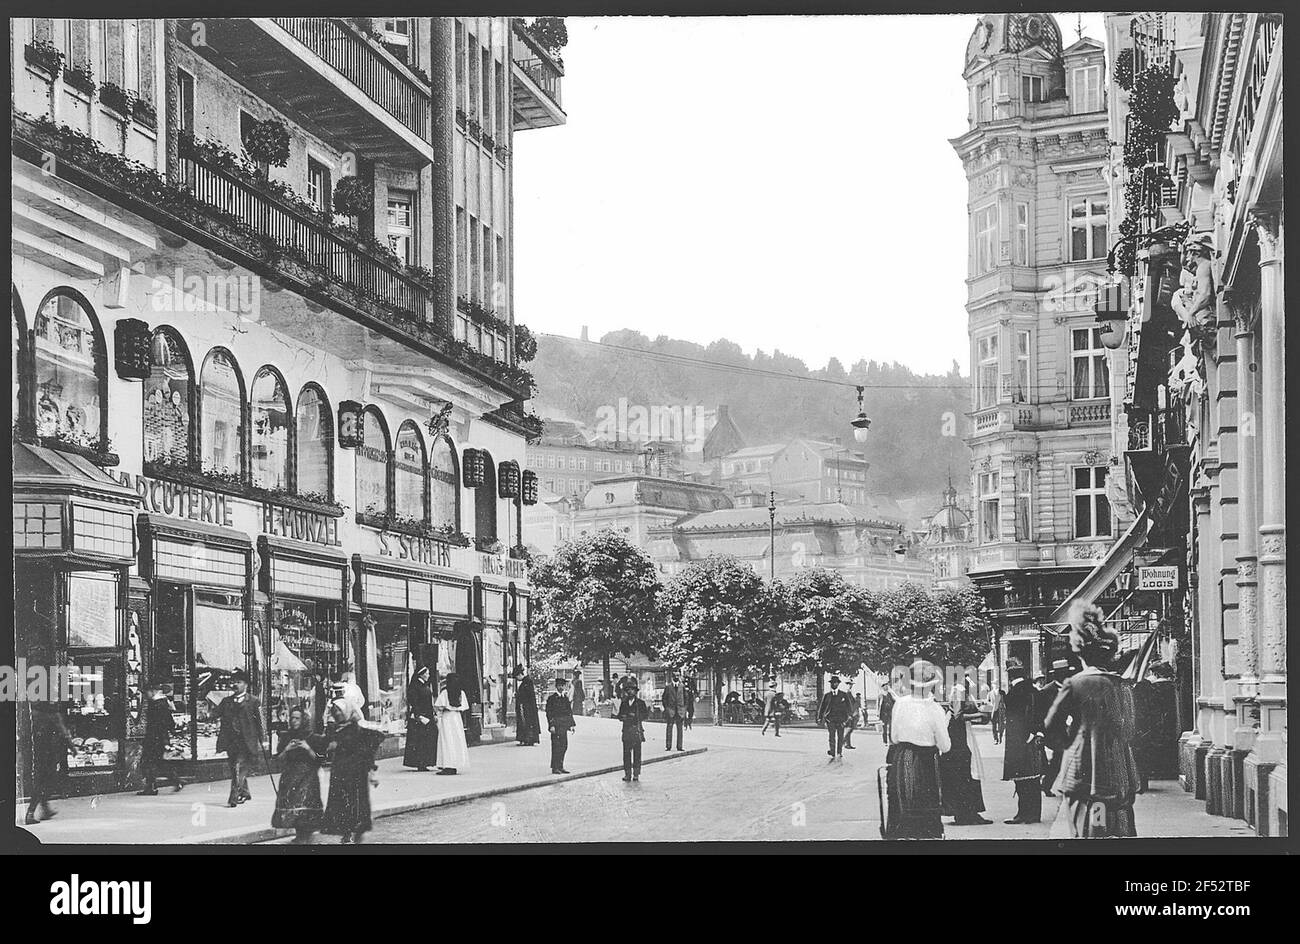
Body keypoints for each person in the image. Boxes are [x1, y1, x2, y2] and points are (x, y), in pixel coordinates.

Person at [1045, 603, 1141, 839]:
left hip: (1082, 767)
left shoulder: (1075, 683)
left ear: (1080, 652)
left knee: (1086, 826)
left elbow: (1051, 726)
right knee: (1113, 823)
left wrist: (1071, 742)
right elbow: (1129, 729)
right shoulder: (1121, 685)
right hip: (1118, 767)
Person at [884, 663, 951, 839]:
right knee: (927, 802)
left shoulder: (900, 704)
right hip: (927, 760)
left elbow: (894, 737)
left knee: (902, 800)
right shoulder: (935, 709)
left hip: (903, 757)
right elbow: (945, 746)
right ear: (931, 685)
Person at [320, 698, 386, 844]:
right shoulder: (335, 729)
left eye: (339, 710)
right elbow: (325, 744)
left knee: (356, 803)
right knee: (342, 803)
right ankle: (346, 833)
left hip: (355, 773)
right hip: (339, 772)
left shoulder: (356, 728)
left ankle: (358, 834)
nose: (337, 713)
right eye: (334, 711)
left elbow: (370, 746)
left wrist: (372, 771)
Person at [939, 684, 990, 826]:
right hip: (957, 737)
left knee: (967, 774)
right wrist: (980, 714)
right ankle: (964, 813)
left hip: (961, 734)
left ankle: (969, 812)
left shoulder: (966, 693)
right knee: (963, 774)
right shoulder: (959, 691)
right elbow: (958, 715)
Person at [1001, 659, 1044, 825]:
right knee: (1033, 778)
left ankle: (1024, 813)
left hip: (1020, 740)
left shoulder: (1014, 693)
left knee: (1022, 778)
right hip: (1034, 738)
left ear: (1010, 675)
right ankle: (1034, 814)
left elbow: (1016, 719)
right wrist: (1037, 732)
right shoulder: (1034, 690)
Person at [272, 706, 324, 843]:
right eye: (292, 718)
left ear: (303, 719)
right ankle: (300, 834)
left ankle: (305, 836)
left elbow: (320, 759)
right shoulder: (286, 736)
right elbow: (278, 759)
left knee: (304, 805)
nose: (294, 721)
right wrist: (287, 749)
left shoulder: (312, 737)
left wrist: (308, 748)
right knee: (292, 805)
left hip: (308, 777)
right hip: (290, 776)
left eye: (297, 718)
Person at [215, 668, 263, 808]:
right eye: (233, 682)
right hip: (231, 742)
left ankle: (234, 797)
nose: (235, 685)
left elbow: (260, 722)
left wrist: (263, 739)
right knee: (235, 768)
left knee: (238, 767)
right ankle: (245, 792)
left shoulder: (253, 701)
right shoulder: (226, 701)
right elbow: (215, 713)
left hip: (247, 742)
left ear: (246, 685)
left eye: (239, 682)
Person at [1132, 661, 1178, 793]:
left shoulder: (1152, 688)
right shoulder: (1170, 687)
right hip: (1163, 724)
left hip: (1149, 726)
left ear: (1155, 673)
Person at [25, 700, 73, 825]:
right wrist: (73, 748)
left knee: (42, 780)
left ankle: (45, 809)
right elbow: (64, 733)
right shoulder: (53, 715)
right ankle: (31, 812)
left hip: (37, 752)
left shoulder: (34, 714)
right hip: (49, 752)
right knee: (48, 780)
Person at [138, 681, 183, 795]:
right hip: (159, 739)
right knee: (158, 762)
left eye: (146, 692)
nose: (145, 695)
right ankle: (176, 781)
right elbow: (170, 723)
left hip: (155, 739)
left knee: (147, 762)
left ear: (152, 691)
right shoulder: (161, 703)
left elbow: (160, 724)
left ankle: (152, 787)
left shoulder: (157, 704)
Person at [1038, 660, 1071, 797]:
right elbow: (1040, 713)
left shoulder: (1069, 688)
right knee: (1061, 756)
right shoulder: (1047, 691)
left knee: (1063, 758)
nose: (1065, 675)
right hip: (1051, 731)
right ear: (1056, 674)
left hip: (1064, 730)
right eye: (1062, 673)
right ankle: (1049, 784)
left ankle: (1048, 784)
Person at [434, 673, 470, 774]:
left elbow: (439, 705)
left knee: (447, 740)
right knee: (457, 740)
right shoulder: (461, 693)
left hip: (447, 717)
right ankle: (456, 763)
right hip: (457, 718)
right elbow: (464, 707)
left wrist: (439, 712)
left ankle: (447, 764)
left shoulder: (445, 692)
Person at [403, 666, 437, 771]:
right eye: (427, 673)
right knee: (420, 740)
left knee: (427, 738)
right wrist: (419, 716)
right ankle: (420, 763)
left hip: (427, 715)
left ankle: (426, 761)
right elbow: (414, 702)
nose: (428, 675)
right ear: (421, 674)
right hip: (420, 717)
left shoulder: (424, 685)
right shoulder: (415, 686)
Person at [616, 678, 650, 782]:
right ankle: (627, 774)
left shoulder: (640, 703)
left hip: (636, 730)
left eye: (632, 690)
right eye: (628, 690)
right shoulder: (624, 703)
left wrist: (636, 717)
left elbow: (645, 715)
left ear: (635, 692)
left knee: (637, 754)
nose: (630, 692)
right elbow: (619, 716)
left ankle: (636, 774)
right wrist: (624, 717)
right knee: (626, 754)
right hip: (626, 731)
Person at [817, 675, 855, 761]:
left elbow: (849, 706)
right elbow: (822, 707)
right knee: (831, 736)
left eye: (836, 683)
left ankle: (839, 752)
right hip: (830, 719)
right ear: (830, 684)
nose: (834, 684)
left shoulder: (843, 695)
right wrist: (819, 717)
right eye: (832, 683)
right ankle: (832, 751)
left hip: (841, 719)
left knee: (840, 736)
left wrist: (849, 716)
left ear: (838, 684)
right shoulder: (827, 695)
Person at [545, 677, 576, 774]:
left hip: (563, 726)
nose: (561, 688)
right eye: (559, 686)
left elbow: (569, 712)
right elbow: (549, 713)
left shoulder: (565, 698)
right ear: (556, 686)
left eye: (563, 686)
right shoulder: (552, 699)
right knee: (556, 746)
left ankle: (561, 766)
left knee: (564, 746)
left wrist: (571, 725)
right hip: (556, 726)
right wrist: (551, 725)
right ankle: (555, 767)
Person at [513, 665, 541, 747]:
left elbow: (525, 695)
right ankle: (527, 739)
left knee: (526, 722)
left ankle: (528, 739)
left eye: (516, 677)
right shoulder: (527, 682)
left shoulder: (527, 682)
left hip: (527, 707)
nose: (517, 679)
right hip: (528, 707)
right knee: (527, 722)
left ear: (519, 675)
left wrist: (518, 695)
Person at [661, 671, 686, 751]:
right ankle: (668, 746)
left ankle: (679, 746)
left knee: (680, 729)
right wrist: (667, 708)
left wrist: (684, 709)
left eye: (678, 675)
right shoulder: (668, 687)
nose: (676, 677)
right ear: (672, 677)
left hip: (679, 710)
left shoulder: (682, 686)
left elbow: (686, 699)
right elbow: (664, 698)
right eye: (675, 675)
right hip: (671, 710)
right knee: (669, 728)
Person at [843, 679, 860, 750]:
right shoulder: (846, 693)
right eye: (849, 684)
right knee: (849, 728)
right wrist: (849, 714)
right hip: (849, 713)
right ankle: (843, 741)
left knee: (850, 728)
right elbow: (847, 704)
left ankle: (848, 744)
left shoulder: (850, 692)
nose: (850, 685)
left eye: (851, 684)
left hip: (852, 713)